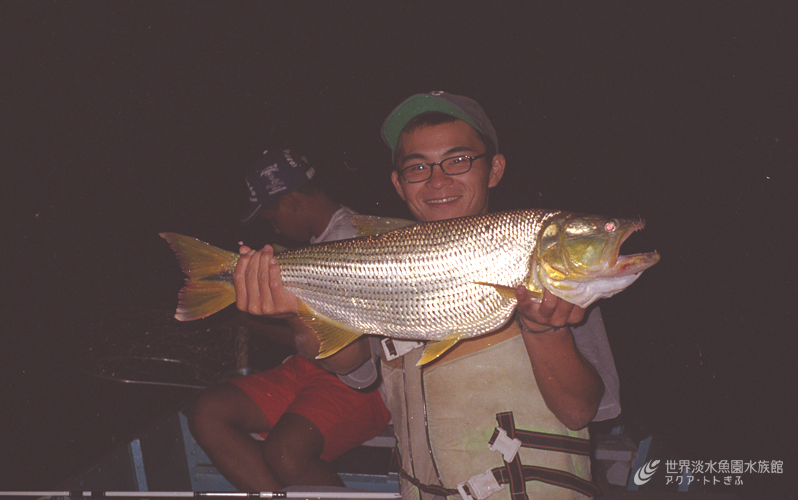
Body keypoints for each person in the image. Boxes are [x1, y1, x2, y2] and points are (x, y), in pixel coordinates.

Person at [233, 94, 621, 499]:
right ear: (399, 184)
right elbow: (351, 365)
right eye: (417, 167)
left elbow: (580, 411)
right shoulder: (388, 260)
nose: (438, 181)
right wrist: (298, 310)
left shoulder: (543, 263)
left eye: (458, 160)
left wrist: (546, 330)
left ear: (494, 168)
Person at [185, 149, 390, 492]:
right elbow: (308, 343)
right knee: (207, 413)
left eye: (272, 217)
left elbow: (345, 354)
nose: (275, 227)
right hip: (311, 368)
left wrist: (251, 321)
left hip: (363, 382)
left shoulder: (353, 241)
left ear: (292, 201)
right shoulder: (319, 244)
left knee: (284, 453)